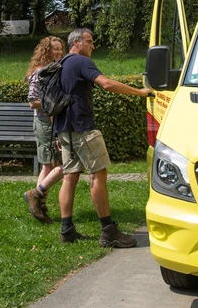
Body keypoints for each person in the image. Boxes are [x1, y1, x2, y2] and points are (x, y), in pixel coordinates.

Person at [55, 27, 153, 247]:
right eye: (90, 41)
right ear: (77, 43)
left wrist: (56, 132)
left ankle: (66, 230)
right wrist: (139, 92)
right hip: (83, 129)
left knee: (69, 177)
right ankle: (108, 231)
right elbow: (106, 84)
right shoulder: (81, 62)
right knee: (98, 175)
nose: (93, 46)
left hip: (65, 131)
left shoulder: (61, 64)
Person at [23, 36, 66, 223]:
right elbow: (32, 102)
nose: (59, 52)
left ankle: (38, 203)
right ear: (45, 51)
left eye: (60, 49)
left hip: (52, 121)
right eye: (55, 49)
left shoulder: (54, 70)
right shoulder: (40, 72)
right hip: (43, 122)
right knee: (53, 165)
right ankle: (37, 200)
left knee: (49, 166)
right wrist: (56, 104)